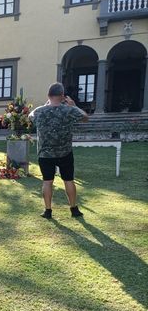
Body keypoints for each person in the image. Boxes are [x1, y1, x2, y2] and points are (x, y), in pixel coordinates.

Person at [29, 82, 88, 219]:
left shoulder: (40, 111)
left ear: (48, 95)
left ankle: (48, 210)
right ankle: (74, 209)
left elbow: (30, 115)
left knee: (47, 181)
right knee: (69, 180)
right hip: (65, 152)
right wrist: (74, 106)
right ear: (62, 96)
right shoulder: (69, 110)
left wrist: (44, 105)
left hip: (45, 154)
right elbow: (85, 118)